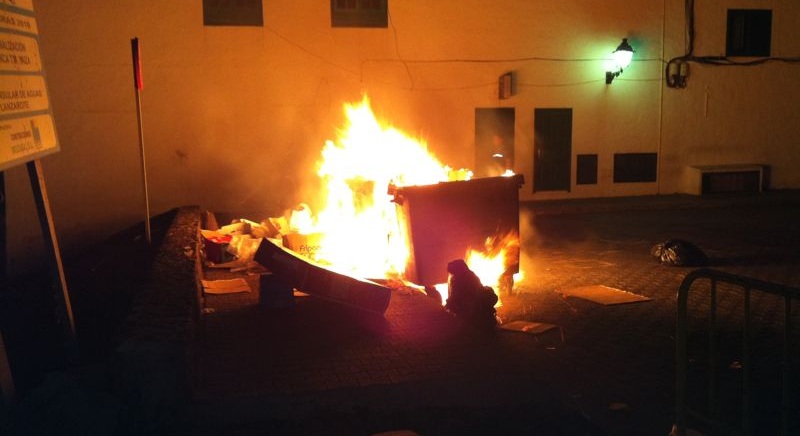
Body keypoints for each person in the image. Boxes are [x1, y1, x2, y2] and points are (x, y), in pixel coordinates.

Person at [444, 259, 498, 329]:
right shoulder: (471, 274)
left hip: (471, 310)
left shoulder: (459, 279)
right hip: (478, 307)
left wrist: (447, 306)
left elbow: (455, 297)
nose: (451, 274)